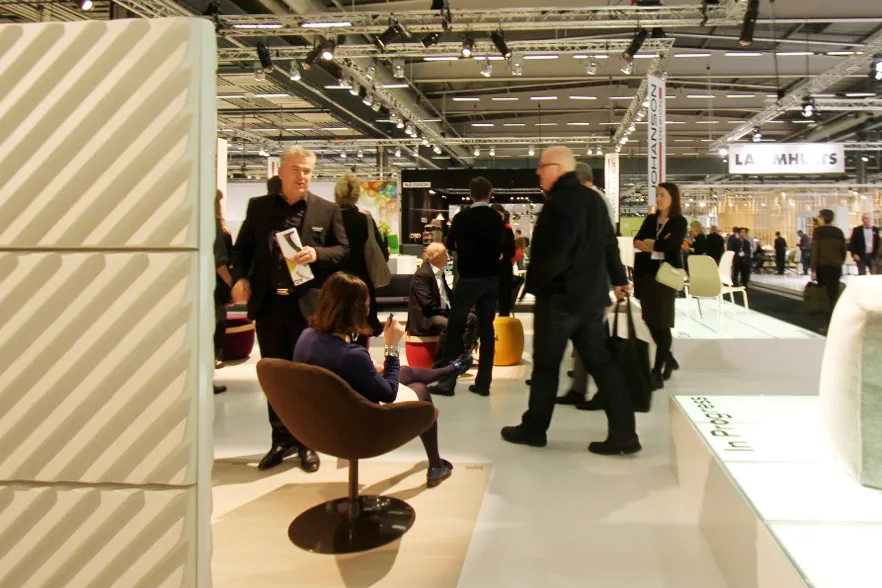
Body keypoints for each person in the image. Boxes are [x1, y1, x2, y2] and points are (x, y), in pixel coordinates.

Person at [500, 146, 637, 456]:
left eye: (542, 166)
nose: (538, 172)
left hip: (559, 300)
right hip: (590, 300)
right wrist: (618, 280)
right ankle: (625, 433)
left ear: (558, 167)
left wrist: (535, 285)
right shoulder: (594, 200)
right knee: (601, 364)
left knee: (546, 367)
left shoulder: (557, 204)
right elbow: (609, 244)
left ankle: (534, 429)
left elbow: (553, 255)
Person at [232, 146, 350, 472]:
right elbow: (241, 251)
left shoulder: (327, 210)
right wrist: (240, 277)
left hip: (307, 308)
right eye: (296, 170)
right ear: (281, 172)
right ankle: (281, 440)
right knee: (276, 377)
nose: (302, 176)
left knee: (307, 377)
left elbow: (343, 250)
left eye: (307, 171)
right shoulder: (259, 208)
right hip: (270, 306)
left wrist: (317, 254)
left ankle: (307, 443)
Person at [293, 273, 466, 487]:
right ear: (356, 309)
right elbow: (388, 393)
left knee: (405, 373)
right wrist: (391, 346)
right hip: (355, 428)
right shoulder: (352, 356)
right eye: (366, 302)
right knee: (420, 390)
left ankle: (448, 370)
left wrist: (370, 367)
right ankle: (436, 465)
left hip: (316, 424)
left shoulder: (306, 337)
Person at [428, 177, 504, 397]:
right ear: (489, 194)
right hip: (490, 279)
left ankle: (447, 383)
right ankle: (483, 384)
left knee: (455, 328)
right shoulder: (496, 218)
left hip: (468, 278)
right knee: (487, 329)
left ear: (470, 195)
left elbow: (450, 244)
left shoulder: (462, 217)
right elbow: (501, 246)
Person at [557, 161, 615, 407]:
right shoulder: (596, 199)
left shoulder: (593, 201)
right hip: (591, 277)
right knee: (586, 334)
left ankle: (605, 393)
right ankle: (579, 389)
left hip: (592, 278)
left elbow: (600, 243)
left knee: (592, 336)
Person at [633, 182, 687, 389]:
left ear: (673, 197)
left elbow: (669, 246)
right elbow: (636, 241)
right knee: (649, 320)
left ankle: (657, 369)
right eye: (657, 195)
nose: (658, 199)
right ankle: (669, 358)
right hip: (647, 275)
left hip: (666, 277)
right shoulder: (651, 219)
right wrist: (654, 245)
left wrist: (650, 244)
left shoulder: (679, 222)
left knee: (662, 323)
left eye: (662, 195)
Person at [334, 174, 389, 337]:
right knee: (361, 330)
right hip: (361, 284)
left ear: (336, 194)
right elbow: (382, 254)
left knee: (335, 330)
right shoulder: (365, 221)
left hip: (335, 286)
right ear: (357, 196)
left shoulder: (328, 218)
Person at [406, 243, 477, 354]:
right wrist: (448, 314)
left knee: (472, 317)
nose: (448, 257)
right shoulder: (422, 275)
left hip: (440, 313)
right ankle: (455, 354)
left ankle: (464, 351)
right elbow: (427, 304)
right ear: (435, 256)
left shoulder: (440, 273)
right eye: (445, 254)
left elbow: (448, 296)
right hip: (428, 318)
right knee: (453, 324)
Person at [812, 209, 847, 334]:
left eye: (819, 217)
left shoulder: (818, 232)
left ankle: (827, 326)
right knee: (833, 296)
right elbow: (843, 250)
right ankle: (835, 324)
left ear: (823, 218)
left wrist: (813, 269)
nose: (818, 219)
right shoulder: (839, 232)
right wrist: (839, 261)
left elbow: (815, 251)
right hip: (836, 267)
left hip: (823, 267)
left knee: (825, 297)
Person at [214, 189, 234, 394]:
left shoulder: (216, 225)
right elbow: (220, 262)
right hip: (216, 286)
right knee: (216, 326)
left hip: (215, 287)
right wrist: (232, 283)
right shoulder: (214, 225)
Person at [491, 203, 517, 317]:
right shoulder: (485, 230)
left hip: (504, 268)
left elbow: (512, 251)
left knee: (504, 297)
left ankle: (504, 320)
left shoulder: (507, 230)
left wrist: (503, 255)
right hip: (489, 268)